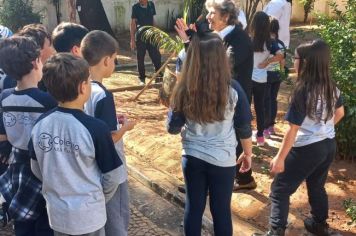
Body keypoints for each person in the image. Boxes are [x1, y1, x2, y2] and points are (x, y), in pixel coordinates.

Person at [254, 40, 344, 236]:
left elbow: (292, 130)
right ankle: (319, 225)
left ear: (304, 62)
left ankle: (276, 231)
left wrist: (280, 158)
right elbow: (340, 113)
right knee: (317, 185)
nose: (292, 61)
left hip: (308, 147)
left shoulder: (303, 90)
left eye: (294, 58)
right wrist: (323, 129)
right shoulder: (332, 87)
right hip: (328, 145)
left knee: (280, 189)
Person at [167, 32, 252, 236]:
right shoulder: (234, 90)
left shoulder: (184, 89)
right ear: (222, 59)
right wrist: (248, 154)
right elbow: (243, 127)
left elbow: (172, 127)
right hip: (223, 160)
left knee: (194, 207)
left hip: (192, 157)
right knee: (221, 211)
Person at [30, 53, 122, 236]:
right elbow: (112, 176)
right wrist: (97, 198)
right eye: (89, 80)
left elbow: (36, 168)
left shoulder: (40, 124)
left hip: (58, 216)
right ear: (82, 87)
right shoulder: (96, 128)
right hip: (90, 217)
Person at [175, 0, 256, 191]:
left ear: (226, 17)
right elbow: (206, 60)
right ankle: (222, 179)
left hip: (234, 97)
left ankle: (243, 179)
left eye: (212, 13)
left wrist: (189, 43)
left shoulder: (239, 39)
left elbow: (217, 67)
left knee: (235, 135)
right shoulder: (218, 36)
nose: (208, 17)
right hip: (221, 93)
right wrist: (190, 40)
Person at [0, 36, 57, 236]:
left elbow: (2, 133)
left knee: (22, 216)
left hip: (17, 165)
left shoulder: (5, 96)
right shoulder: (48, 100)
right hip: (42, 166)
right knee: (44, 218)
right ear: (35, 62)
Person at [81, 30, 135, 236]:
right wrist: (125, 127)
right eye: (114, 59)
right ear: (105, 61)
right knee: (117, 220)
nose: (114, 64)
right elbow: (109, 138)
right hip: (111, 169)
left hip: (92, 166)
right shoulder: (103, 94)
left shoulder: (83, 88)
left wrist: (115, 119)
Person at [250, 11, 284, 146]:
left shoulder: (249, 39)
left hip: (248, 79)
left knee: (246, 107)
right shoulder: (270, 42)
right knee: (260, 108)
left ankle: (246, 134)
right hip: (262, 79)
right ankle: (260, 136)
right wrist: (267, 62)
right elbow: (281, 55)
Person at [264, 19, 287, 137]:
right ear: (277, 29)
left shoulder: (267, 43)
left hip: (266, 75)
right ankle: (271, 126)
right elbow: (282, 61)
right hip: (276, 76)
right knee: (273, 99)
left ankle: (265, 128)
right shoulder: (281, 44)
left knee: (266, 100)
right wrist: (281, 73)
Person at [130, 0, 162, 85]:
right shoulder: (135, 7)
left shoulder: (151, 5)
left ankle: (159, 76)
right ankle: (142, 79)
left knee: (156, 56)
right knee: (140, 58)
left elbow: (153, 20)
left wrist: (156, 33)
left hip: (151, 35)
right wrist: (132, 40)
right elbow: (133, 23)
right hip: (140, 36)